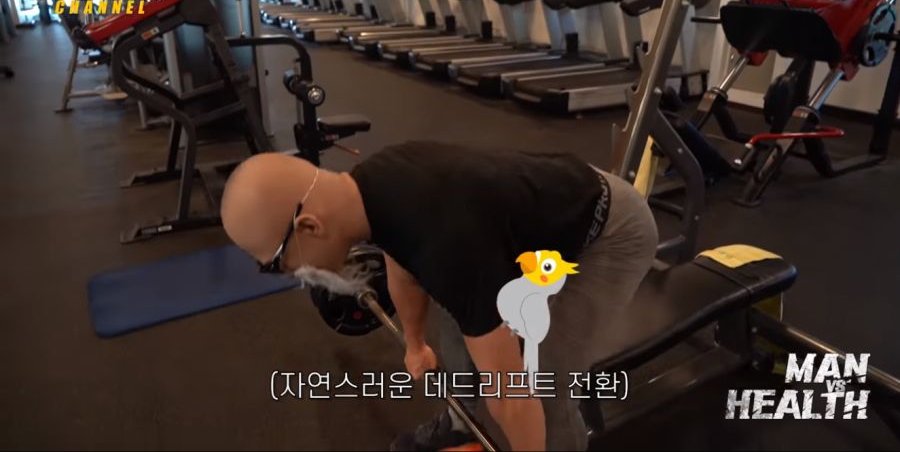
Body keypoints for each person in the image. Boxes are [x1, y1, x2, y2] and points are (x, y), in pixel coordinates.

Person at [220, 141, 659, 451]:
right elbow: (404, 268)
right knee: (457, 318)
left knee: (544, 380)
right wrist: (415, 343)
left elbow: (512, 396)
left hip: (609, 232)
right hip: (536, 209)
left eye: (280, 262)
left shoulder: (446, 243)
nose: (294, 274)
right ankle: (462, 420)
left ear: (309, 226)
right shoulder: (368, 189)